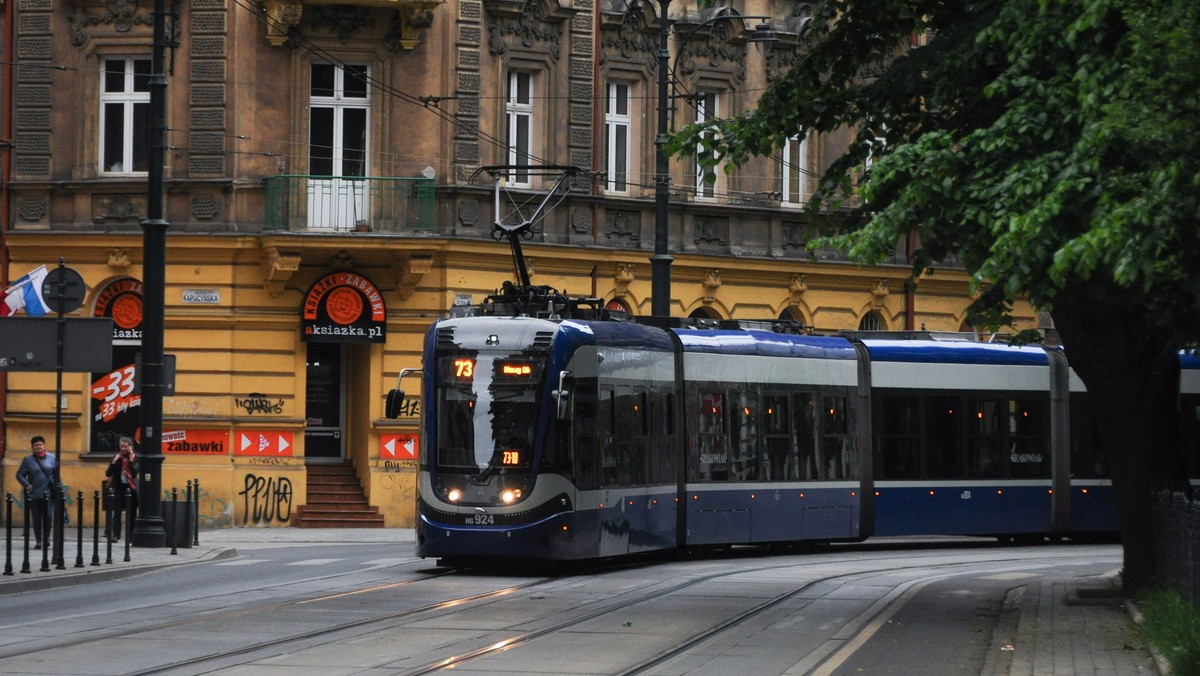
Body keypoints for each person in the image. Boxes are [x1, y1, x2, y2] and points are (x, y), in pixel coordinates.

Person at [15, 435, 56, 549]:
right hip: (34, 494)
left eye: (40, 444)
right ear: (32, 447)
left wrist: (59, 489)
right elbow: (19, 475)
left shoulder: (52, 458)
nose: (38, 447)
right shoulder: (28, 460)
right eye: (36, 445)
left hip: (48, 493)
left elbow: (56, 475)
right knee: (36, 518)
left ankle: (46, 537)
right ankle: (38, 540)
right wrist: (27, 485)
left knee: (48, 516)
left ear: (44, 446)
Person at [105, 436, 140, 542]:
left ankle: (130, 536)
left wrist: (129, 460)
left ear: (130, 447)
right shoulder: (117, 457)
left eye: (125, 447)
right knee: (117, 512)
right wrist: (114, 462)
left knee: (131, 513)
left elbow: (134, 473)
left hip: (131, 488)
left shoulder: (134, 458)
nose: (123, 449)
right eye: (121, 446)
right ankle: (116, 535)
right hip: (119, 487)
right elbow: (108, 473)